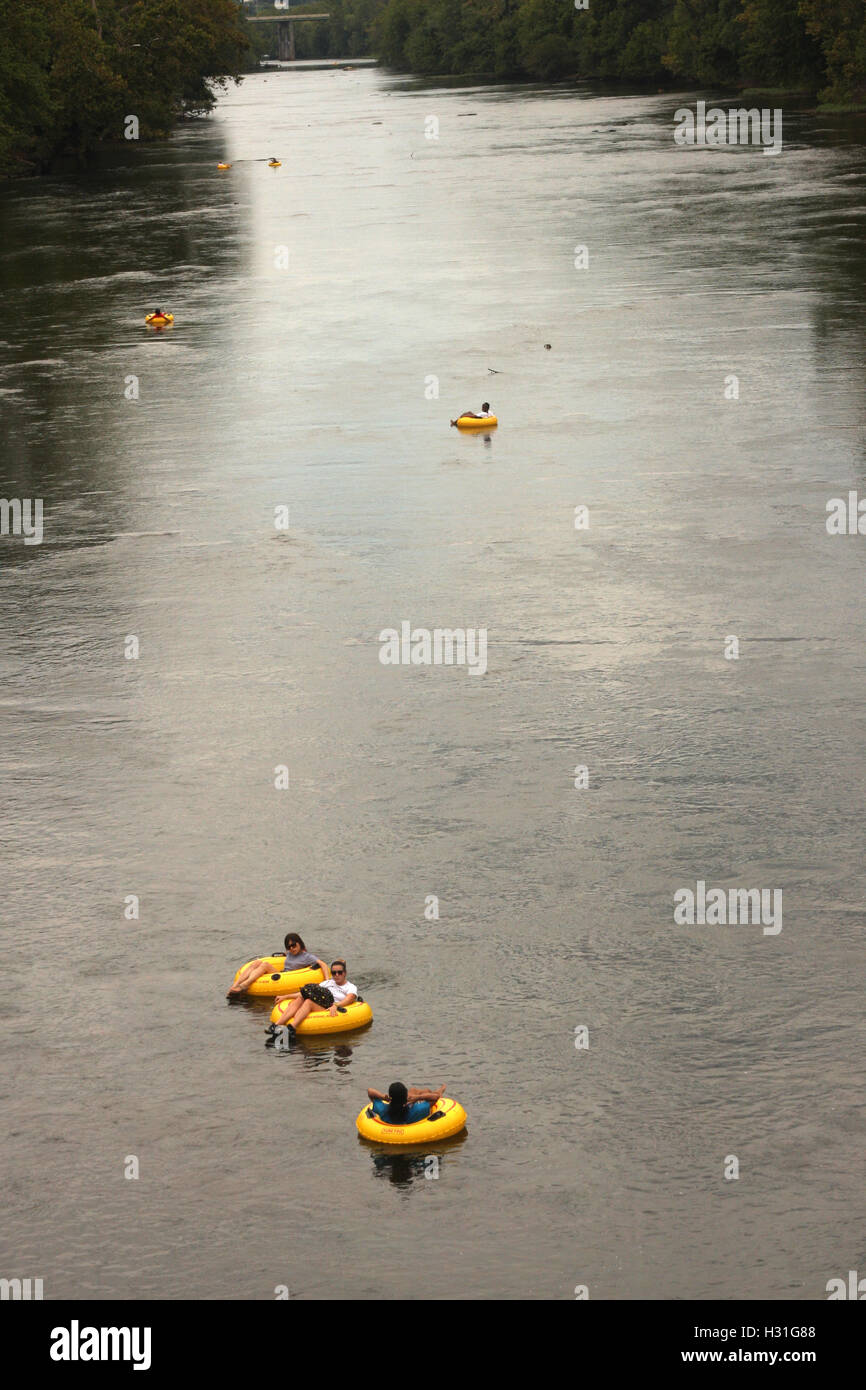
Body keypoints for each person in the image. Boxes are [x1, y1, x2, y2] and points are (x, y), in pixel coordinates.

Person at [269, 958, 357, 1033]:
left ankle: (292, 1028)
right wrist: (286, 996)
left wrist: (335, 1005)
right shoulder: (327, 983)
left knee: (308, 1002)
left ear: (345, 973)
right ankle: (276, 1025)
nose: (336, 975)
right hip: (320, 1002)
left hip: (329, 1007)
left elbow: (349, 999)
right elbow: (309, 992)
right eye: (334, 973)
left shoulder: (350, 987)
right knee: (301, 998)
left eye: (339, 972)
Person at [226, 933, 328, 997]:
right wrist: (284, 954)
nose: (292, 948)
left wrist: (327, 981)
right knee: (257, 962)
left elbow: (322, 964)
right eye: (289, 947)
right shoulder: (289, 953)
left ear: (299, 943)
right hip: (282, 973)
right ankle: (234, 986)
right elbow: (285, 956)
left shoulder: (307, 956)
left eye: (294, 945)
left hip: (288, 978)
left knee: (265, 964)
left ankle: (244, 985)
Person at [366, 1081, 446, 1125]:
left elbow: (370, 1091)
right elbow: (435, 1098)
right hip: (411, 1121)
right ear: (405, 1097)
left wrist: (383, 1097)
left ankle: (437, 1091)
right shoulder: (417, 1110)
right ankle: (440, 1091)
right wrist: (418, 1098)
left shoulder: (382, 1109)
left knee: (413, 1090)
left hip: (394, 1115)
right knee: (426, 1092)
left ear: (390, 1097)